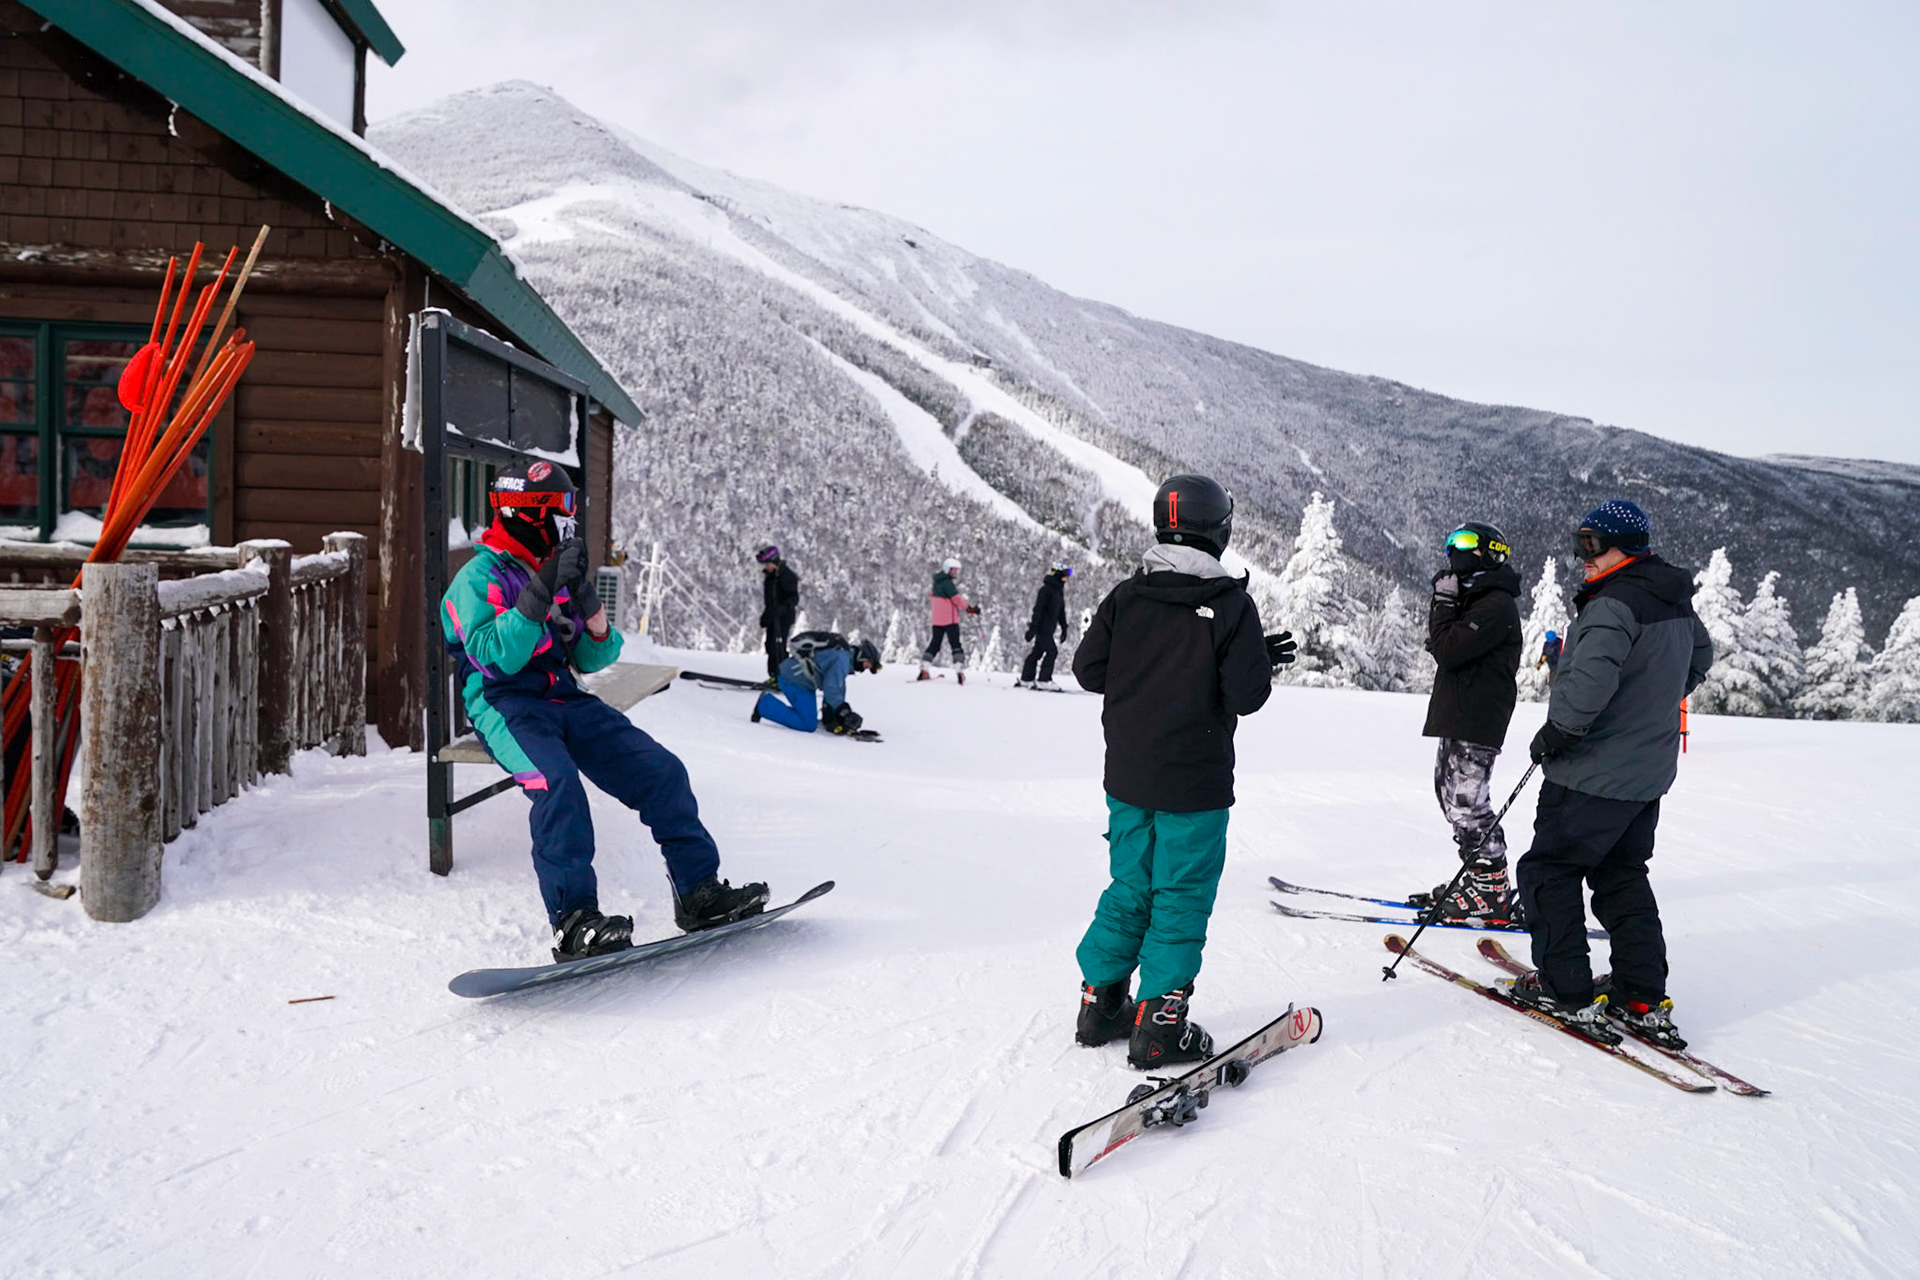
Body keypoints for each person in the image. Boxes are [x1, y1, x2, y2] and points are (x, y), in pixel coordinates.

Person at [441, 461, 768, 960]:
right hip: (505, 705)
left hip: (563, 696)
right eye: (562, 510)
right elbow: (495, 659)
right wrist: (540, 591)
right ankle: (574, 922)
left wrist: (586, 604)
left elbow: (597, 657)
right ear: (528, 512)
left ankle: (699, 891)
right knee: (557, 784)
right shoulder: (478, 577)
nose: (569, 521)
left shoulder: (550, 566)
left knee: (661, 771)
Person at [1070, 474, 1296, 1069]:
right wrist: (1246, 655)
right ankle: (1160, 1027)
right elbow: (1246, 696)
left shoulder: (1128, 595)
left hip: (1129, 777)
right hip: (1192, 785)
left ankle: (1101, 1005)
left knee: (1131, 887)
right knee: (1180, 894)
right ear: (1219, 529)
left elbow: (1091, 670)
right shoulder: (1229, 604)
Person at [1508, 498, 1713, 1048]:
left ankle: (1566, 990)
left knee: (1548, 871)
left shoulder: (1613, 605)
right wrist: (1649, 705)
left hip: (1591, 775)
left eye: (1593, 546)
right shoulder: (1671, 602)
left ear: (1629, 546)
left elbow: (1587, 688)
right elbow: (1698, 659)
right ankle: (1640, 994)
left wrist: (1557, 732)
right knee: (1621, 873)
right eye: (1580, 545)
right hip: (1646, 776)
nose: (1583, 558)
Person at [1409, 522, 1524, 922]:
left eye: (1465, 543)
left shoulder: (1496, 604)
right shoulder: (1478, 601)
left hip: (1478, 716)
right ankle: (1479, 879)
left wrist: (1442, 606)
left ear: (1490, 552)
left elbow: (1447, 649)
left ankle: (1491, 889)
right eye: (1451, 543)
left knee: (1467, 804)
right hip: (1461, 712)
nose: (1454, 550)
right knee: (1450, 797)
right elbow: (1451, 647)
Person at [752, 632, 883, 734]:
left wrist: (833, 716)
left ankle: (767, 704)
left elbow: (837, 687)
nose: (866, 668)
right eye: (868, 664)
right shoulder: (842, 660)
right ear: (862, 657)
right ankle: (765, 705)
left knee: (809, 719)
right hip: (793, 678)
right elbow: (831, 687)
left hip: (804, 682)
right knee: (807, 724)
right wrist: (844, 712)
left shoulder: (843, 658)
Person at [918, 557, 978, 683]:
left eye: (957, 570)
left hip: (937, 620)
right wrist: (970, 609)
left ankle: (924, 667)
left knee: (935, 644)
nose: (956, 573)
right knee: (955, 645)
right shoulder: (947, 583)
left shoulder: (937, 582)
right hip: (950, 620)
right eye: (953, 570)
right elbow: (956, 599)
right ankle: (959, 670)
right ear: (947, 570)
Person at [1017, 561, 1072, 689]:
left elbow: (1060, 612)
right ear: (1058, 574)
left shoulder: (1058, 591)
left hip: (1049, 628)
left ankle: (1027, 678)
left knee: (1037, 652)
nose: (1067, 578)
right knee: (1052, 651)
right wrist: (1032, 630)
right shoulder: (1046, 590)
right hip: (1043, 628)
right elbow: (1038, 610)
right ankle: (1044, 680)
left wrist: (1064, 628)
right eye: (1066, 574)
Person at [756, 545, 800, 681]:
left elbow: (793, 598)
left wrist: (782, 609)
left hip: (783, 618)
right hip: (773, 616)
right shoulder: (771, 576)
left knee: (778, 647)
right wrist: (767, 615)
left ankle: (782, 677)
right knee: (770, 646)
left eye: (768, 564)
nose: (766, 567)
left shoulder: (786, 576)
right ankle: (773, 675)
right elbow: (770, 599)